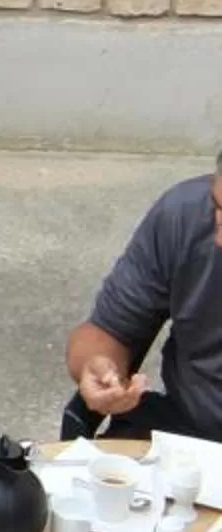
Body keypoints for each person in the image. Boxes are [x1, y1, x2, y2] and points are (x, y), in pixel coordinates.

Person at [64, 151, 222, 440]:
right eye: (218, 206)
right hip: (186, 430)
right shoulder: (185, 215)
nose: (219, 238)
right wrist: (99, 368)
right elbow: (107, 331)